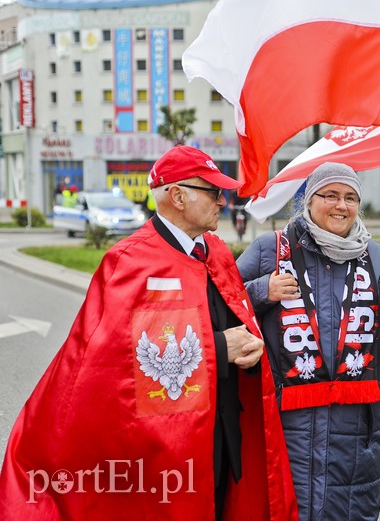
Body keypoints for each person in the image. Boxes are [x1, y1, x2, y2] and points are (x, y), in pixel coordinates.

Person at [0, 146, 297, 520]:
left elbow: (233, 317)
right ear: (177, 196)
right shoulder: (129, 262)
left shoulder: (216, 252)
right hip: (167, 450)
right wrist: (221, 348)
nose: (224, 200)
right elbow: (114, 364)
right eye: (213, 192)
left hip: (223, 436)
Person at [237, 162, 380, 521]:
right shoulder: (271, 250)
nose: (342, 205)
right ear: (309, 199)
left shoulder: (376, 256)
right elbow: (220, 302)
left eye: (351, 198)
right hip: (285, 422)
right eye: (331, 195)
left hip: (354, 430)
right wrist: (263, 290)